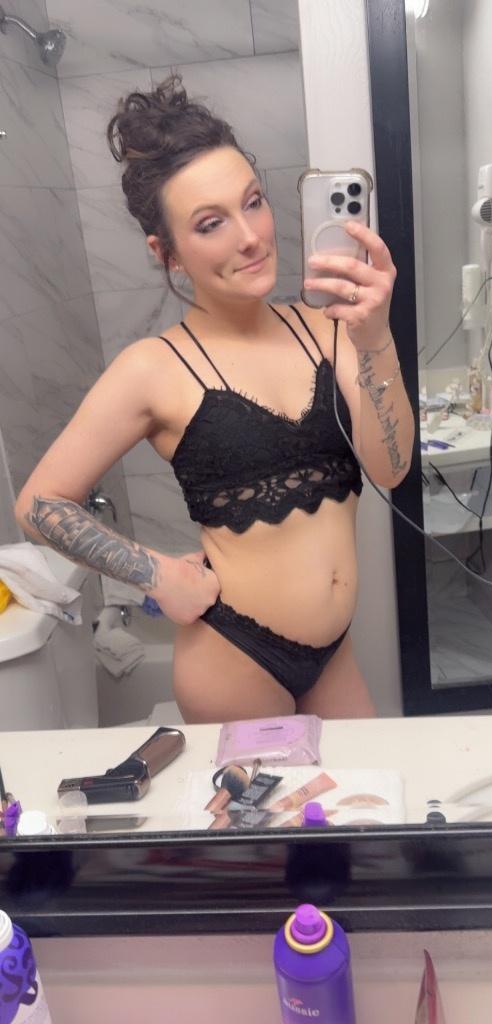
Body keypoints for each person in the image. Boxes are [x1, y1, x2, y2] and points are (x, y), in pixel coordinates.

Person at [14, 75, 414, 724]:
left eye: (253, 202)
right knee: (273, 801)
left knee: (371, 794)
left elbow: (391, 468)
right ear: (167, 253)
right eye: (210, 224)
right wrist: (155, 574)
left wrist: (375, 337)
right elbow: (39, 504)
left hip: (334, 657)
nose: (250, 237)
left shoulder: (328, 327)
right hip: (234, 660)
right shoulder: (152, 368)